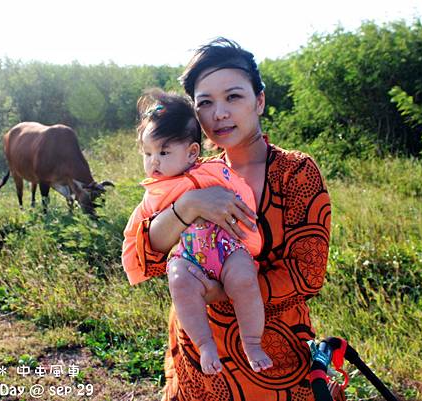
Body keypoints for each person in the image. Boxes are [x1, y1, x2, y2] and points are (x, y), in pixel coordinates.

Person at [125, 38, 335, 401]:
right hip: (198, 359)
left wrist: (225, 291)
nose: (219, 113)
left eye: (233, 97)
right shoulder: (186, 171)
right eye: (205, 102)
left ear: (260, 100)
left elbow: (308, 273)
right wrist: (189, 205)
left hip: (273, 362)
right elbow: (151, 251)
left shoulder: (294, 172)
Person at [122, 88, 273, 375]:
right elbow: (140, 232)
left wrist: (249, 237)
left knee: (244, 278)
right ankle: (204, 344)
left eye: (164, 152)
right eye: (148, 153)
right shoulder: (154, 192)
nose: (154, 162)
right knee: (179, 282)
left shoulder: (214, 171)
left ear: (192, 152)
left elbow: (242, 200)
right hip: (188, 257)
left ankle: (252, 342)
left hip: (227, 248)